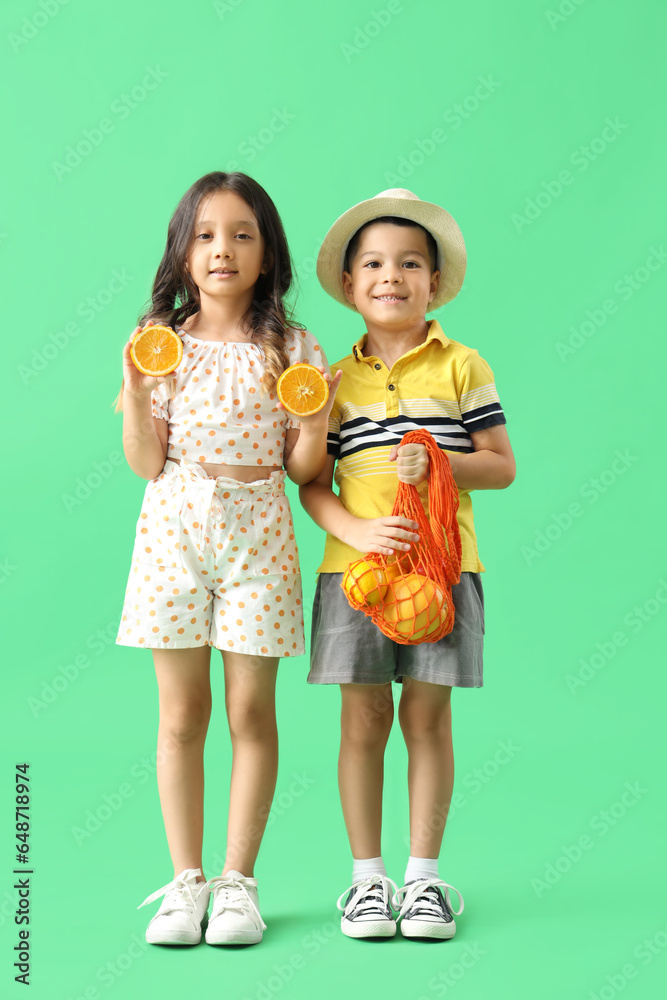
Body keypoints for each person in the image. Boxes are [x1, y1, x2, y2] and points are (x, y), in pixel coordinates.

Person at [115, 171, 340, 947]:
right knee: (180, 716)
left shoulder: (294, 347)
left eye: (242, 234)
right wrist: (136, 383)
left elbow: (304, 469)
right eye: (206, 235)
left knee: (250, 712)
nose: (223, 249)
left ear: (268, 253)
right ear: (182, 253)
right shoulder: (161, 343)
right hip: (173, 531)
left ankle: (238, 884)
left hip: (258, 537)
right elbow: (145, 462)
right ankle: (185, 882)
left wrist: (318, 418)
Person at [300, 188, 516, 940]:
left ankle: (423, 881)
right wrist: (357, 531)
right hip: (352, 577)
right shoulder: (332, 380)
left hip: (443, 571)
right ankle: (366, 882)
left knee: (426, 717)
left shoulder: (462, 364)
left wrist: (437, 459)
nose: (390, 275)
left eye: (409, 263)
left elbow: (501, 465)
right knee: (361, 719)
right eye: (373, 264)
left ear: (432, 282)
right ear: (352, 285)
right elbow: (310, 486)